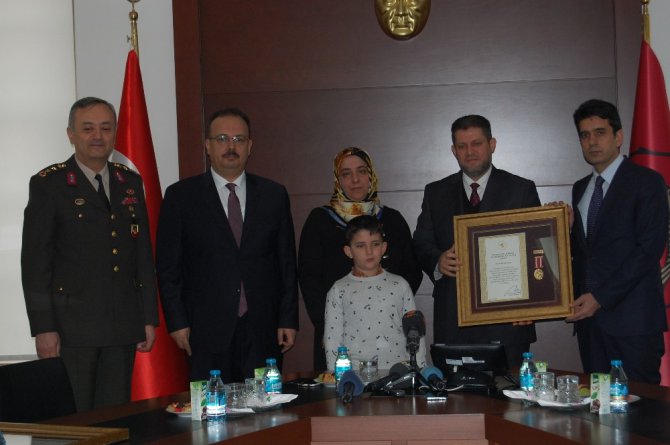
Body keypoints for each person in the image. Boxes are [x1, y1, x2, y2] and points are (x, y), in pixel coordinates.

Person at [21, 97, 158, 411]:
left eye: (105, 128)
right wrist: (44, 327)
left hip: (122, 324)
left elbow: (142, 255)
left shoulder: (130, 183)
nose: (97, 136)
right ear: (71, 134)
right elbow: (35, 263)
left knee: (116, 420)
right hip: (72, 330)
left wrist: (148, 317)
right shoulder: (49, 184)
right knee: (76, 420)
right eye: (88, 128)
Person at [156, 107, 299, 382]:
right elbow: (168, 267)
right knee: (212, 412)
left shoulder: (273, 195)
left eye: (239, 139)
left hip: (262, 326)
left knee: (264, 412)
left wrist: (287, 318)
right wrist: (177, 322)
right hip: (204, 328)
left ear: (250, 146)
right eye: (222, 139)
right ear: (207, 146)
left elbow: (286, 264)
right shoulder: (180, 197)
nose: (231, 146)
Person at [412, 114, 540, 367]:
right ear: (453, 151)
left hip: (508, 319)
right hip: (454, 317)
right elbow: (421, 241)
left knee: (509, 400)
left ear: (492, 144)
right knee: (459, 401)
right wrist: (438, 261)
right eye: (462, 146)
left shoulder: (521, 189)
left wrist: (532, 306)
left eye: (477, 143)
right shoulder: (435, 192)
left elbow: (538, 250)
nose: (470, 152)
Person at [566, 99, 668, 383]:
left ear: (618, 136)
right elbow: (587, 254)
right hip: (591, 326)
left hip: (634, 322)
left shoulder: (647, 182)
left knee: (641, 414)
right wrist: (566, 231)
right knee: (598, 414)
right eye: (585, 135)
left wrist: (600, 298)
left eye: (600, 132)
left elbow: (648, 251)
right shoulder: (580, 189)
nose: (592, 141)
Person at [299, 147, 422, 372]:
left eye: (361, 171)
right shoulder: (320, 221)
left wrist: (384, 306)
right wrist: (328, 325)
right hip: (340, 335)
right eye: (346, 173)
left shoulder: (392, 219)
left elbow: (411, 272)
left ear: (371, 175)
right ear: (337, 179)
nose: (355, 180)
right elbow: (309, 279)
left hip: (389, 335)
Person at [324, 215, 427, 370]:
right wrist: (336, 374)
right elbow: (332, 339)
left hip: (398, 373)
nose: (369, 251)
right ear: (348, 251)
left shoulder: (400, 285)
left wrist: (420, 371)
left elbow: (415, 332)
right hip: (355, 377)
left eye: (375, 244)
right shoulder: (339, 289)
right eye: (360, 246)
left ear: (384, 247)